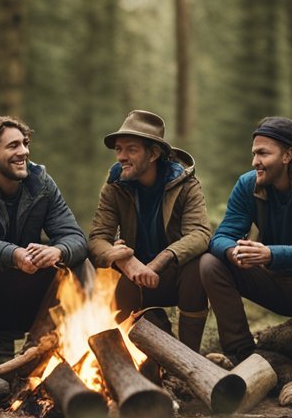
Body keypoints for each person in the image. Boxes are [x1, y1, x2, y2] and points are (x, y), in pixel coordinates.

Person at [199, 117, 292, 381]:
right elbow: (221, 236)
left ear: (288, 155)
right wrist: (233, 252)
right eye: (254, 153)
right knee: (210, 263)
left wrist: (272, 253)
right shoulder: (248, 184)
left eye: (263, 153)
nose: (255, 161)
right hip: (269, 282)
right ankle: (241, 352)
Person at [0, 116, 88, 370]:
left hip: (28, 296)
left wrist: (58, 250)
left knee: (76, 264)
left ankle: (38, 350)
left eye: (25, 143)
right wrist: (13, 254)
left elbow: (76, 238)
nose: (23, 151)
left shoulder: (42, 184)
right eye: (13, 146)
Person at [88, 110, 212, 351]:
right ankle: (142, 336)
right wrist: (122, 259)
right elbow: (97, 239)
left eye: (131, 149)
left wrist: (158, 262)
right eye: (119, 149)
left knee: (202, 263)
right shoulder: (115, 185)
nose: (122, 156)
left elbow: (199, 233)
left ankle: (190, 354)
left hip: (173, 275)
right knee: (93, 263)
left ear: (153, 153)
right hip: (134, 280)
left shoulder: (185, 184)